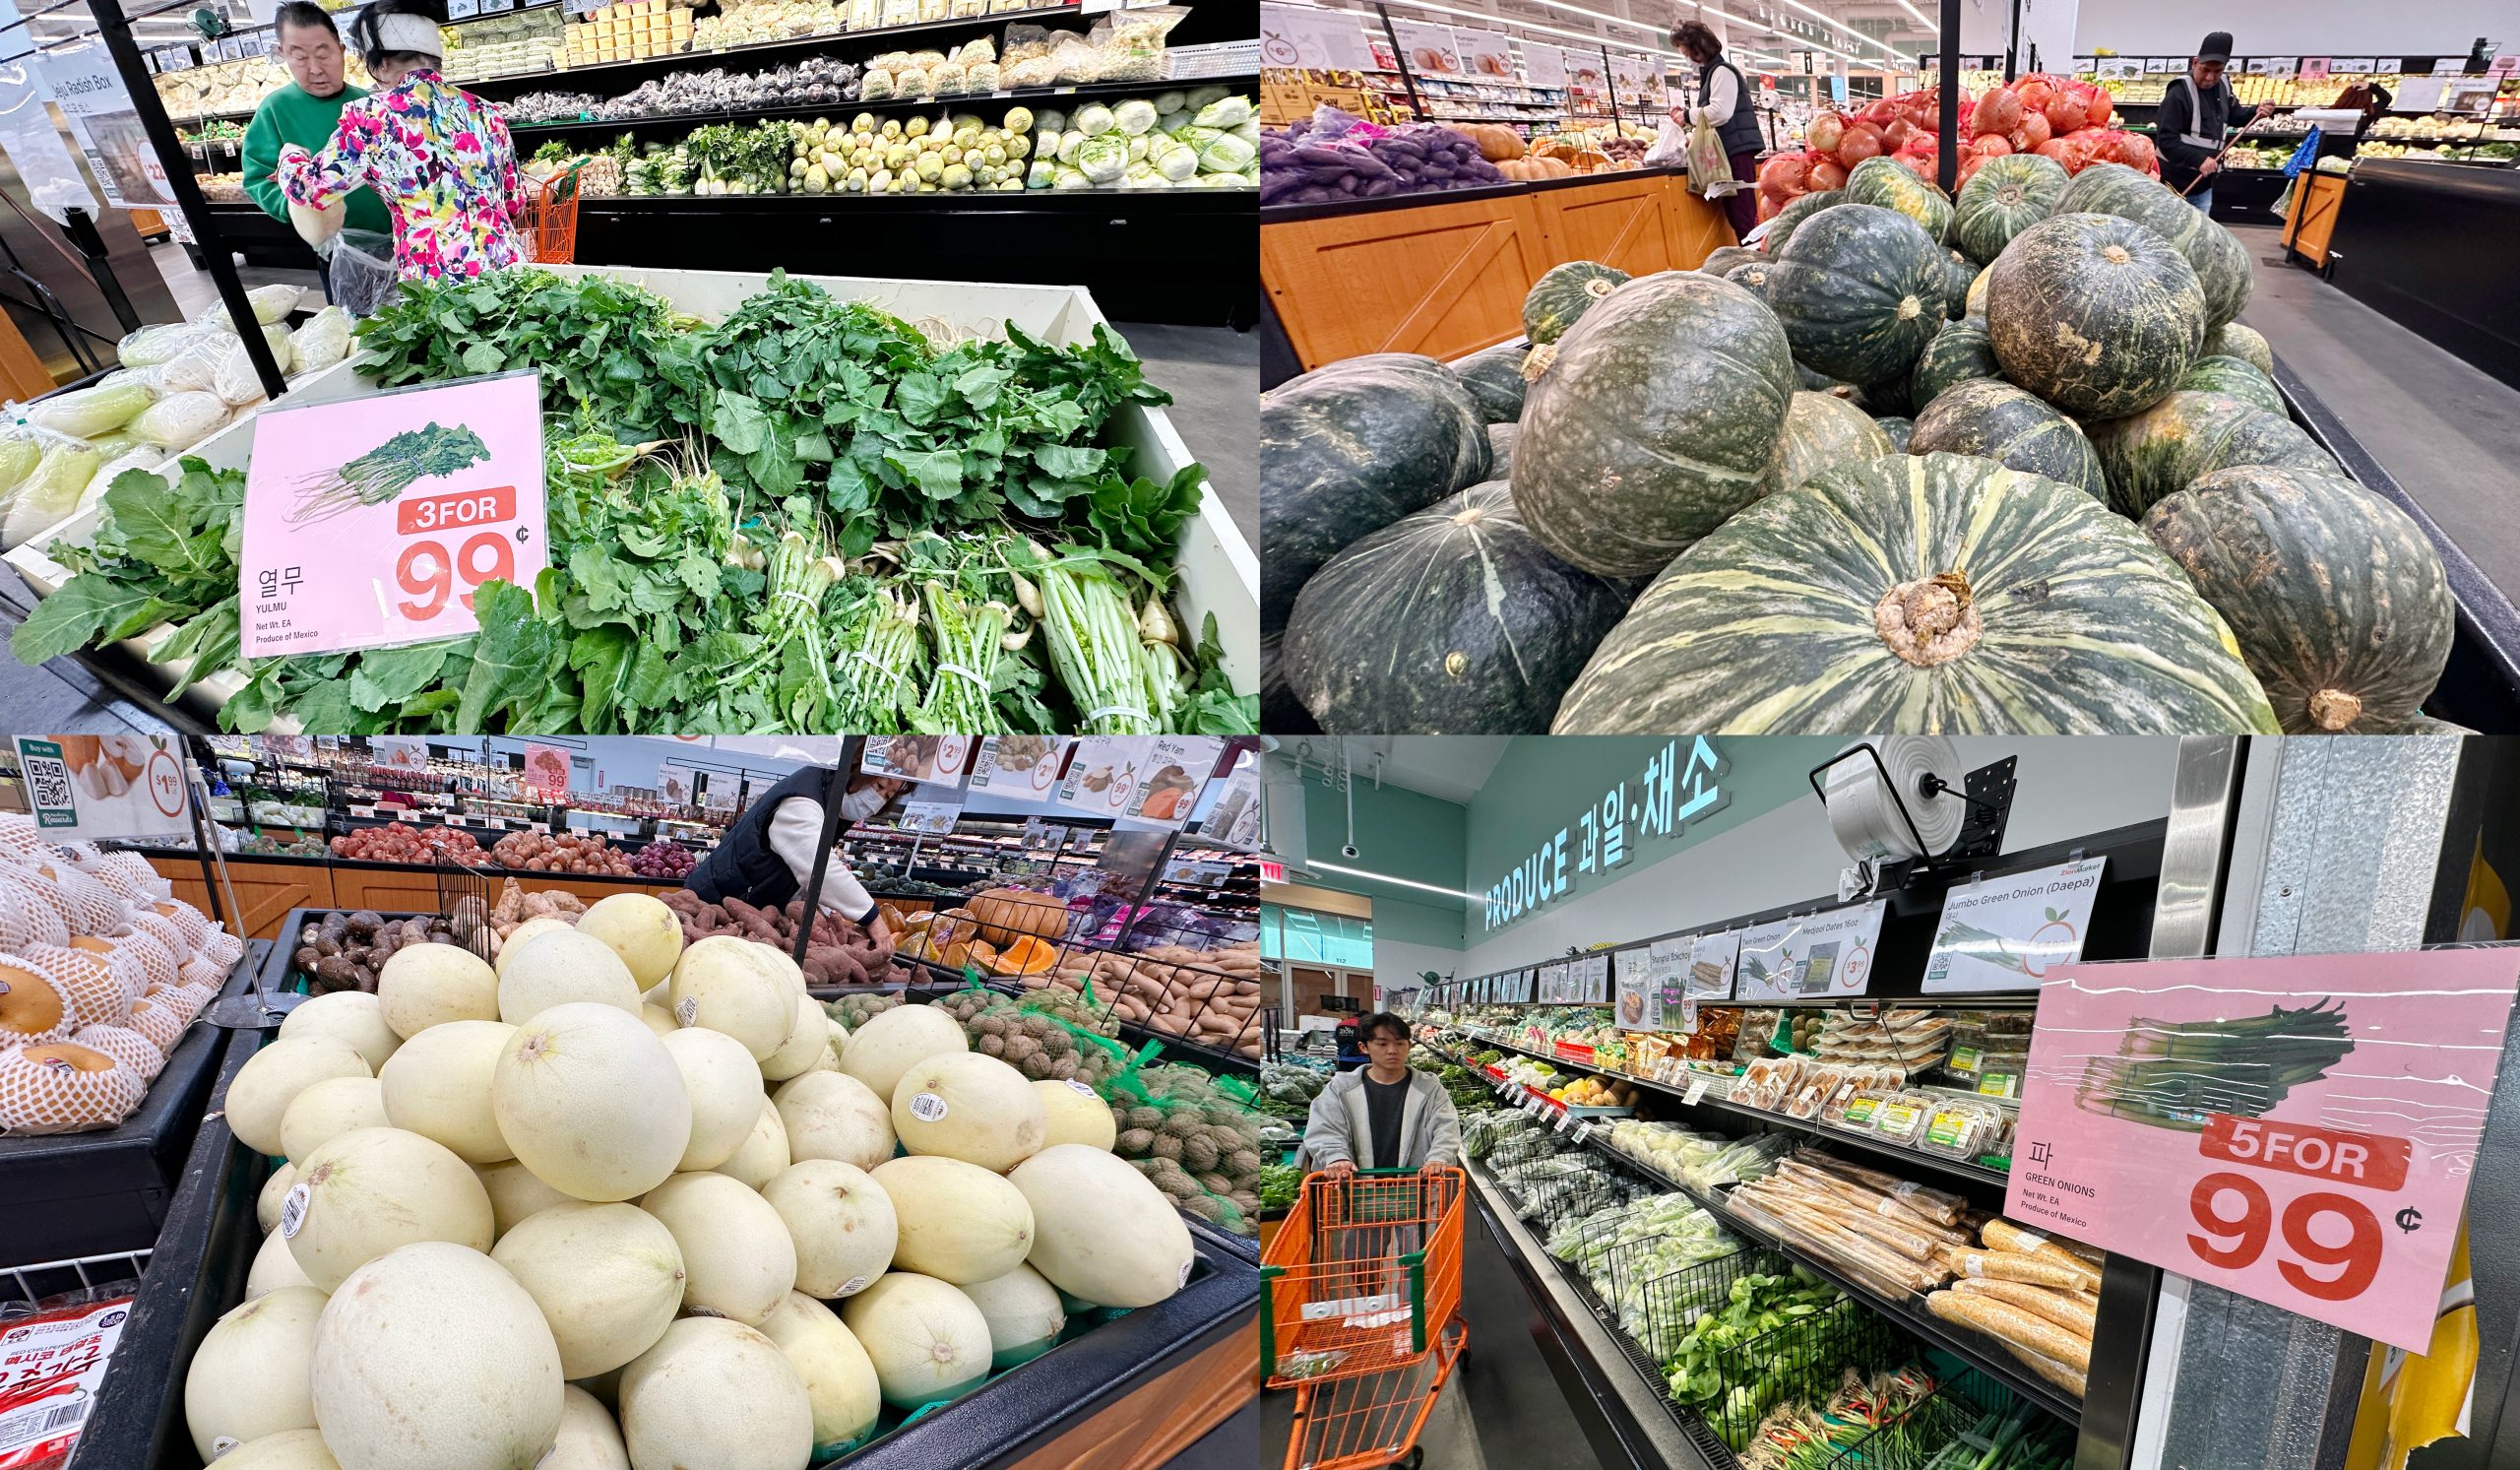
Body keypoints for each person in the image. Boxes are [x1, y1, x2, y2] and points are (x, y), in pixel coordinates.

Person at [277, 0, 530, 282]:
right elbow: (515, 202)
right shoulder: (487, 111)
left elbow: (308, 190)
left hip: (438, 283)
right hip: (508, 272)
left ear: (381, 63)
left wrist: (290, 156)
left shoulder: (370, 118)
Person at [682, 765, 913, 942]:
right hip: (709, 903)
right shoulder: (804, 799)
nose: (878, 800)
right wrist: (871, 917)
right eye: (880, 786)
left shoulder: (831, 800)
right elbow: (816, 866)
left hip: (744, 906)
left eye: (888, 796)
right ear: (855, 769)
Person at [242, 2, 392, 275]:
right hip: (336, 252)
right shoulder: (275, 109)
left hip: (396, 241)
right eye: (299, 57)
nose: (315, 69)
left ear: (342, 51)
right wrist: (304, 212)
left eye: (324, 55)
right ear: (283, 55)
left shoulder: (371, 104)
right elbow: (257, 178)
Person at [1300, 1011, 1461, 1176]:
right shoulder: (1340, 1088)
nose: (1392, 1050)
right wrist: (1335, 1157)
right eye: (1382, 1044)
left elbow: (1446, 1127)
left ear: (1409, 1046)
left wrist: (1439, 1157)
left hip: (1416, 1188)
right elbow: (1324, 1127)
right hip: (1356, 1190)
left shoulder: (1429, 1088)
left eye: (1399, 1043)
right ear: (1364, 1047)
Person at [2156, 31, 2275, 210]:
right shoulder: (2178, 93)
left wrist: (2254, 111)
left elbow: (2234, 116)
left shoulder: (2223, 86)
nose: (2210, 78)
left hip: (2204, 185)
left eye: (2217, 71)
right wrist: (2199, 160)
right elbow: (2166, 140)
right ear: (2195, 62)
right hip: (2174, 183)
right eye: (2205, 70)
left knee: (2201, 234)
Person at [1670, 20, 1763, 241]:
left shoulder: (1722, 71)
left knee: (1744, 215)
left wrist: (1686, 115)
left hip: (1736, 151)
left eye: (1684, 51)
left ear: (1697, 49)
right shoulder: (1712, 73)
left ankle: (1759, 263)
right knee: (1737, 213)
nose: (1685, 57)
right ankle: (1751, 259)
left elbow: (1720, 112)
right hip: (1729, 150)